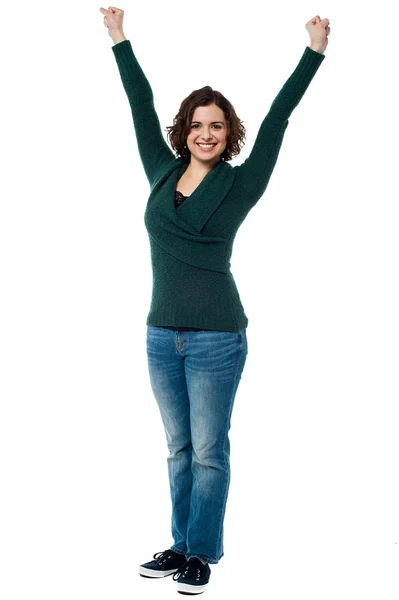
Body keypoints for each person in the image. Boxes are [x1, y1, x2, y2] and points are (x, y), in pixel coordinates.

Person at [99, 6, 330, 595]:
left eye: (218, 126)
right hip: (159, 333)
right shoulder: (159, 170)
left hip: (216, 338)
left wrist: (313, 52)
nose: (207, 133)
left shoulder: (242, 183)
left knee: (208, 452)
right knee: (177, 450)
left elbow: (279, 117)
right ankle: (180, 546)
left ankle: (203, 551)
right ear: (186, 129)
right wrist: (120, 38)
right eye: (198, 124)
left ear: (228, 135)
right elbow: (138, 103)